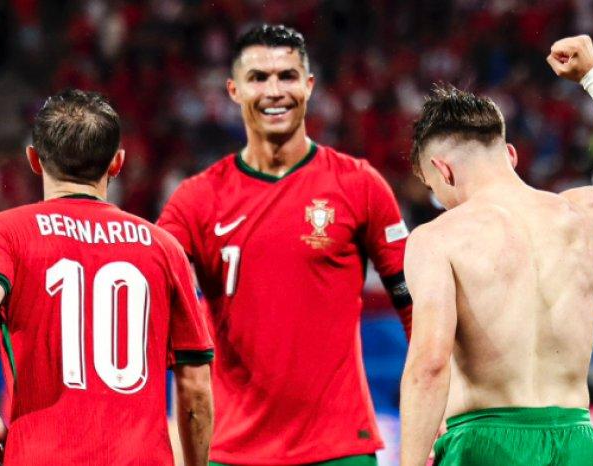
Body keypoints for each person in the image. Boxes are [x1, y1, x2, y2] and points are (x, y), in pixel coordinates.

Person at [399, 35, 593, 466]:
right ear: (510, 154)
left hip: (485, 444)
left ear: (443, 171)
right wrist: (592, 76)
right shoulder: (580, 216)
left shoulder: (437, 238)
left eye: (434, 191)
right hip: (577, 442)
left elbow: (430, 363)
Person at [157, 24, 412, 466]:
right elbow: (149, 299)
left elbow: (415, 307)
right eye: (258, 78)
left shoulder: (359, 185)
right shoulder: (196, 200)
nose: (275, 91)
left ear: (309, 85)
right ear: (234, 90)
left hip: (339, 450)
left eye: (287, 76)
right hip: (232, 452)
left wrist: (443, 398)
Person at [0, 89, 214, 466]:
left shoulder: (2, 233)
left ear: (34, 159)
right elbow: (195, 388)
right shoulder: (164, 248)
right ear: (117, 162)